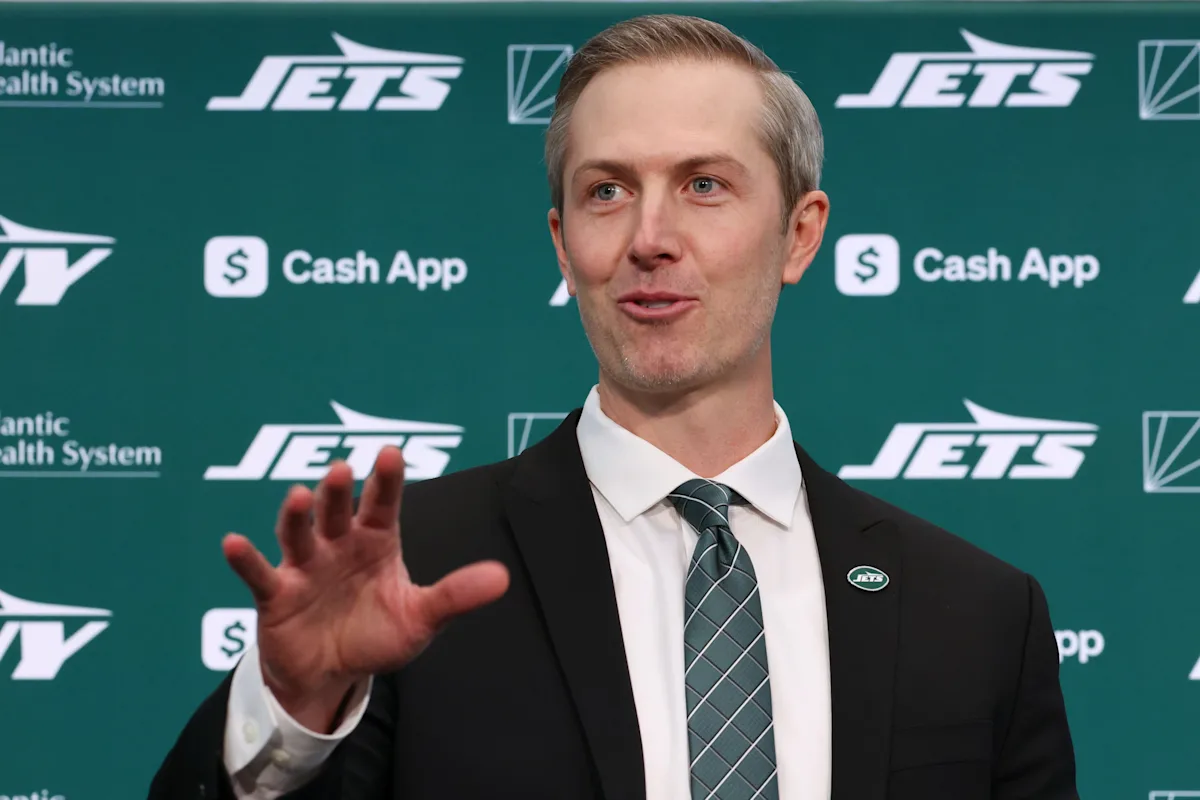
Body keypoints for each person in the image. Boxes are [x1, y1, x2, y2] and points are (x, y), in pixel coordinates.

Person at [149, 13, 1078, 800]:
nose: (650, 237)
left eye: (704, 185)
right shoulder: (416, 572)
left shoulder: (979, 614)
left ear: (800, 234)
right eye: (607, 191)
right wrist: (295, 707)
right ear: (564, 244)